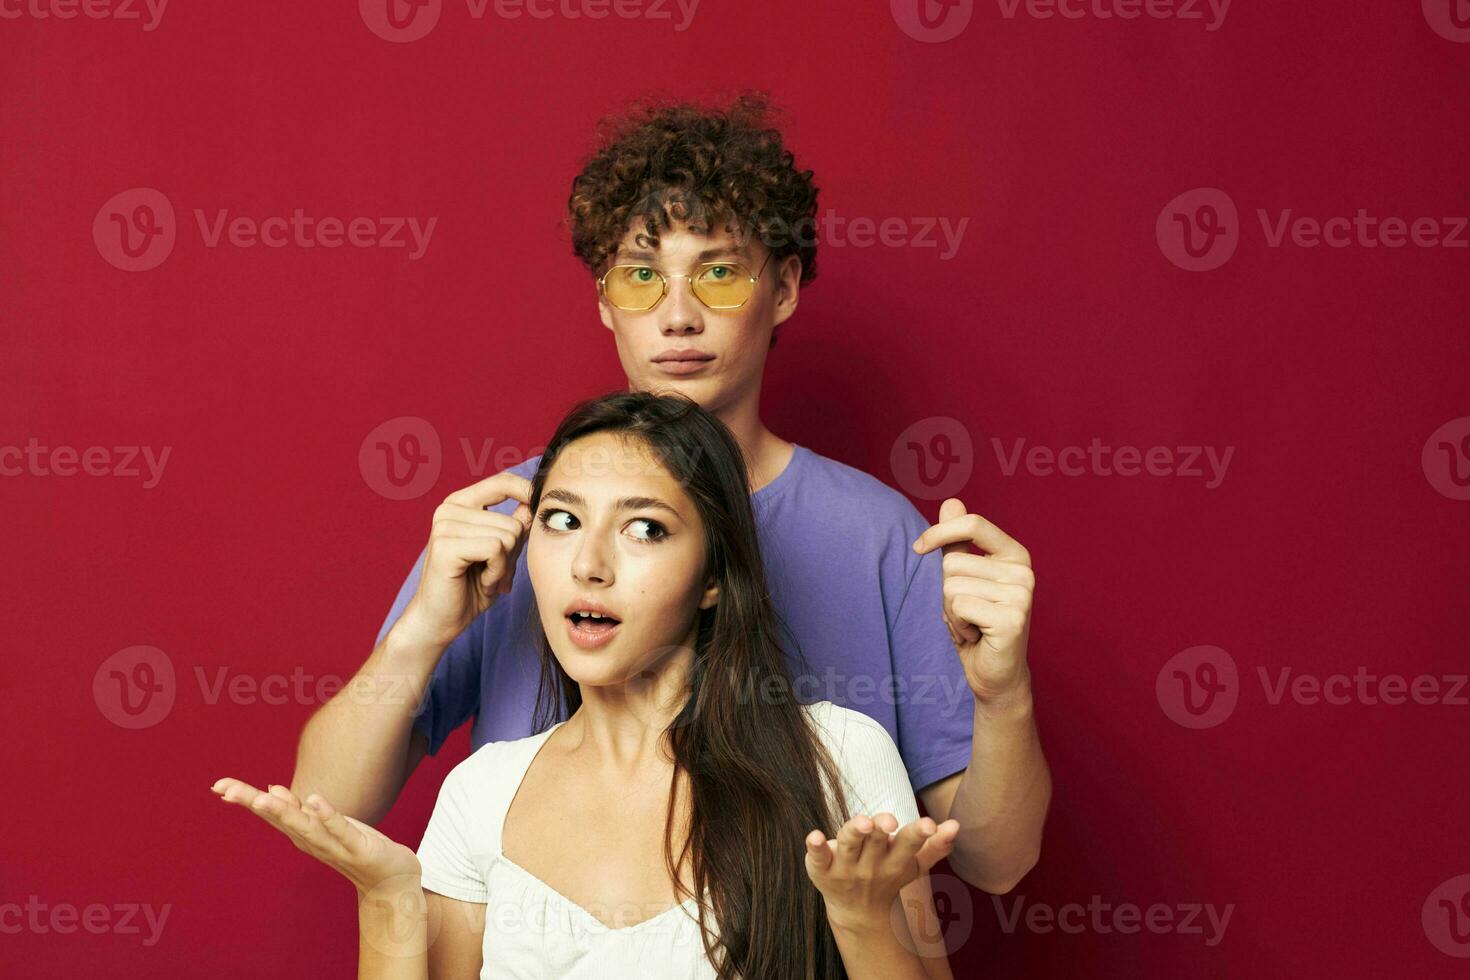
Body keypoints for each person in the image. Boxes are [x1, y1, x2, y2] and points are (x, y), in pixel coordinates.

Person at [289, 93, 1050, 895]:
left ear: (783, 288)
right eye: (642, 276)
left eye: (718, 274)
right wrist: (420, 632)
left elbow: (995, 863)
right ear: (605, 302)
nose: (678, 316)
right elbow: (326, 807)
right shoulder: (514, 521)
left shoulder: (883, 537)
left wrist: (1005, 695)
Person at [215, 391, 960, 979]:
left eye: (645, 530)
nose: (589, 564)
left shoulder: (841, 755)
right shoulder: (482, 792)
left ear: (712, 579)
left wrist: (863, 921)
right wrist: (385, 900)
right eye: (562, 520)